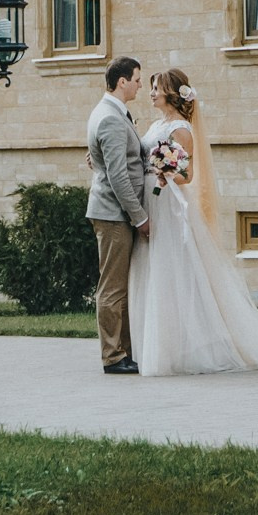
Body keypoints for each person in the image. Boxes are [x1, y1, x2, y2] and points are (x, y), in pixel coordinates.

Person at [127, 67, 258, 377]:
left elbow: (188, 175)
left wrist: (167, 173)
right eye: (150, 87)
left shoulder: (180, 129)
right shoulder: (156, 125)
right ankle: (158, 345)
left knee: (173, 267)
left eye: (156, 88)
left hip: (167, 202)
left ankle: (186, 347)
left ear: (172, 93)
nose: (151, 93)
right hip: (150, 198)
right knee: (153, 267)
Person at [84, 56, 149, 375]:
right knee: (112, 287)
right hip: (113, 213)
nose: (140, 85)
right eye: (137, 79)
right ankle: (113, 356)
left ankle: (124, 351)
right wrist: (140, 217)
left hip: (115, 212)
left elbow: (105, 161)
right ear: (122, 81)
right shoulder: (110, 117)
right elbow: (118, 176)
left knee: (119, 286)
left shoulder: (111, 112)